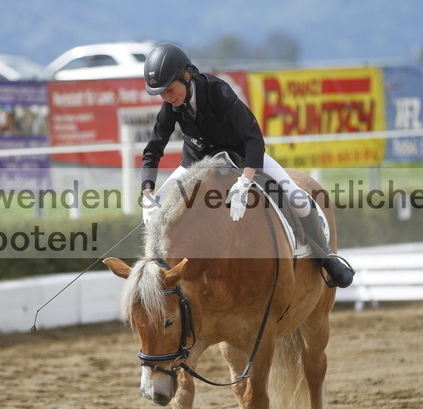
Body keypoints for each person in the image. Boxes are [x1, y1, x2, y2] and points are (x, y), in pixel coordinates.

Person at [140, 42, 354, 288]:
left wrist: (245, 181)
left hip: (242, 156)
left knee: (296, 197)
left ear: (186, 77)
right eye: (161, 94)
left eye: (169, 90)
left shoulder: (218, 92)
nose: (167, 98)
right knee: (156, 213)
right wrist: (147, 192)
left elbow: (253, 138)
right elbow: (153, 149)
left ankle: (326, 256)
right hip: (197, 162)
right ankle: (157, 272)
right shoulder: (171, 106)